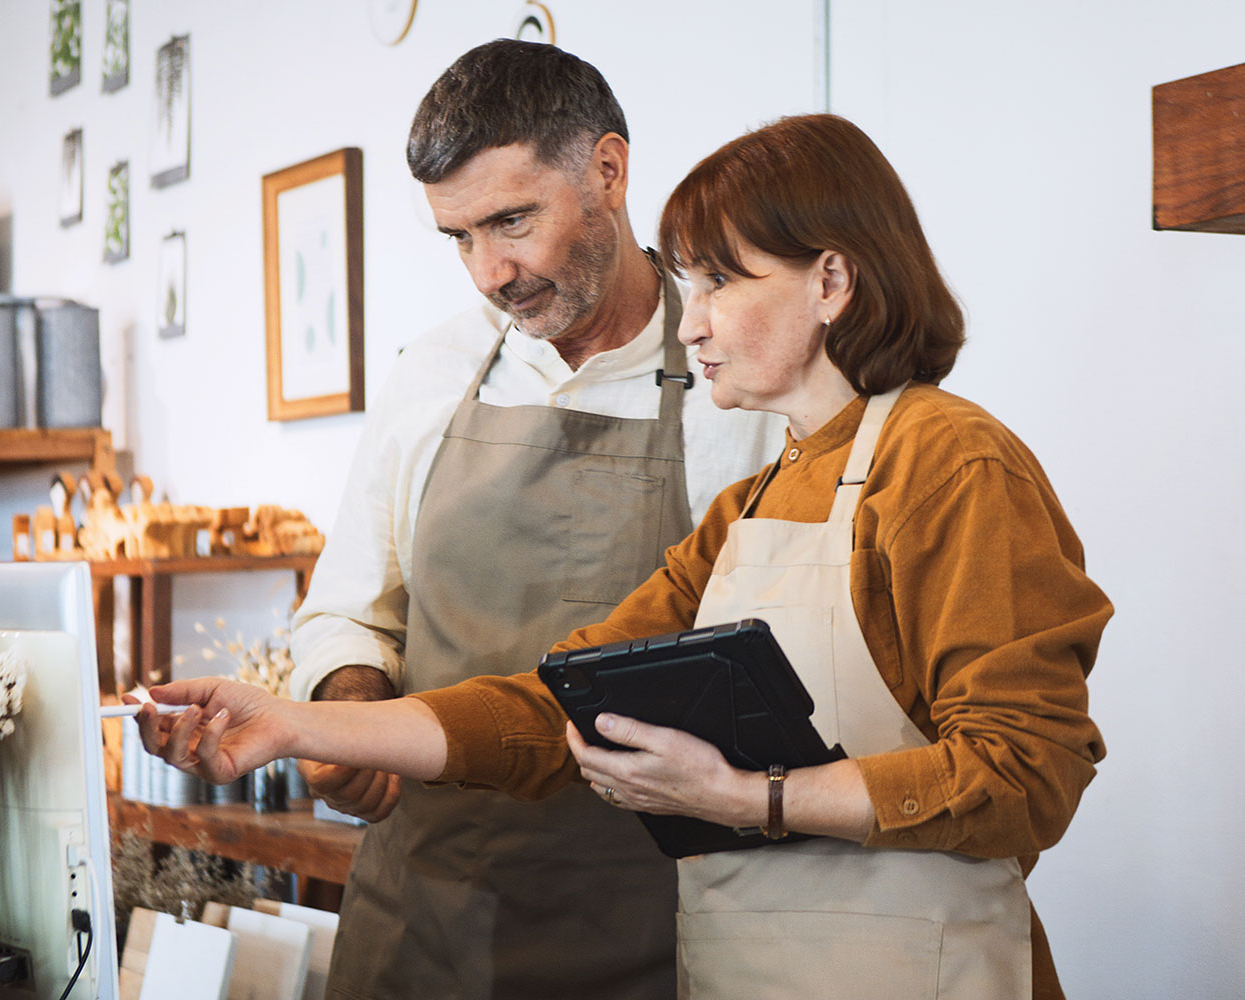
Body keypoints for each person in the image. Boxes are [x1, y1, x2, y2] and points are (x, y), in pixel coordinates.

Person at [135, 114, 1109, 1000]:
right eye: (692, 283)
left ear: (831, 281)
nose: (689, 321)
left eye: (723, 280)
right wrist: (295, 726)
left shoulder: (950, 461)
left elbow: (1027, 771)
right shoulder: (754, 501)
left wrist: (750, 799)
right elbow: (554, 702)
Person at [282, 39, 784, 1000]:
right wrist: (349, 710)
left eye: (512, 220)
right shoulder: (433, 371)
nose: (488, 271)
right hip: (422, 921)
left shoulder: (739, 383)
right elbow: (348, 608)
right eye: (459, 236)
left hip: (653, 924)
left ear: (608, 169)